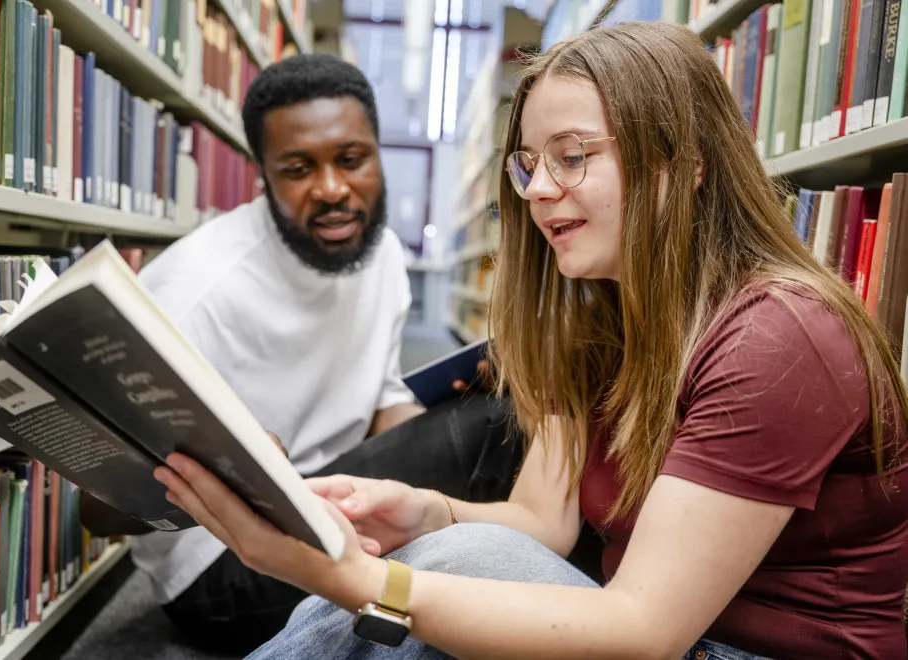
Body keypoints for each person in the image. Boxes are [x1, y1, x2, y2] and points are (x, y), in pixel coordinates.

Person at [152, 21, 908, 660]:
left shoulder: (778, 339)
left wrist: (353, 578)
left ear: (681, 167)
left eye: (571, 156)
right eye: (527, 163)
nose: (538, 188)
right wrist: (425, 511)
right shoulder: (598, 319)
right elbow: (543, 522)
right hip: (667, 628)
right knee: (446, 567)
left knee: (447, 577)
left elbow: (644, 628)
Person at [78, 54, 523, 654]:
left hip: (327, 496)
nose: (334, 189)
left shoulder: (382, 254)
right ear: (262, 174)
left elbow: (378, 408)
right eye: (298, 168)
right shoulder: (194, 291)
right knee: (497, 429)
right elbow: (98, 510)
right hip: (220, 569)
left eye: (351, 159)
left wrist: (441, 423)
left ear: (377, 155)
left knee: (497, 408)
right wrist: (231, 471)